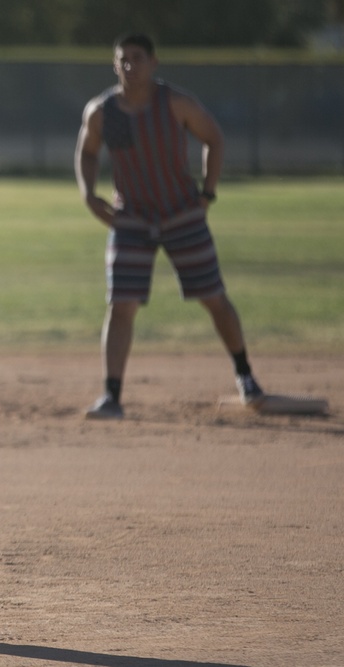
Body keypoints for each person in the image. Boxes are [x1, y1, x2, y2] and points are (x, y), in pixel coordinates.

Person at [74, 33, 263, 420]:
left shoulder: (175, 102)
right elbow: (87, 151)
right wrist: (88, 194)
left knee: (213, 297)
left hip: (181, 213)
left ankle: (245, 376)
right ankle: (111, 395)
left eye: (137, 58)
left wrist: (207, 194)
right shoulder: (102, 111)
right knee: (120, 305)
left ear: (153, 62)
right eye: (123, 59)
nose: (130, 66)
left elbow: (214, 138)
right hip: (130, 218)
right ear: (114, 65)